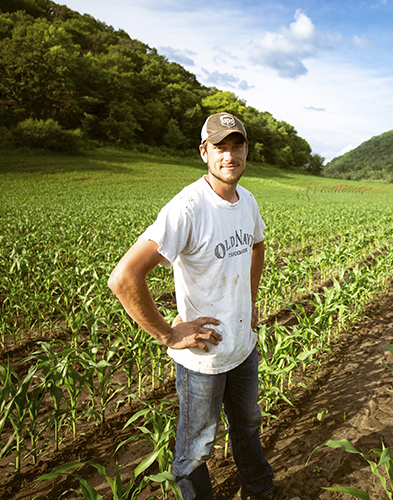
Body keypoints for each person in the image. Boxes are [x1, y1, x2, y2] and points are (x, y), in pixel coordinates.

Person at [108, 113, 296, 499]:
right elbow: (124, 278)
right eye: (220, 147)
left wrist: (251, 298)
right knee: (196, 449)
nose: (230, 155)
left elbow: (257, 245)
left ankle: (260, 491)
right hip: (204, 357)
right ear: (204, 153)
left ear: (246, 150)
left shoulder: (248, 201)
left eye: (236, 145)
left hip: (243, 346)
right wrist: (167, 333)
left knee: (248, 425)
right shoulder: (188, 207)